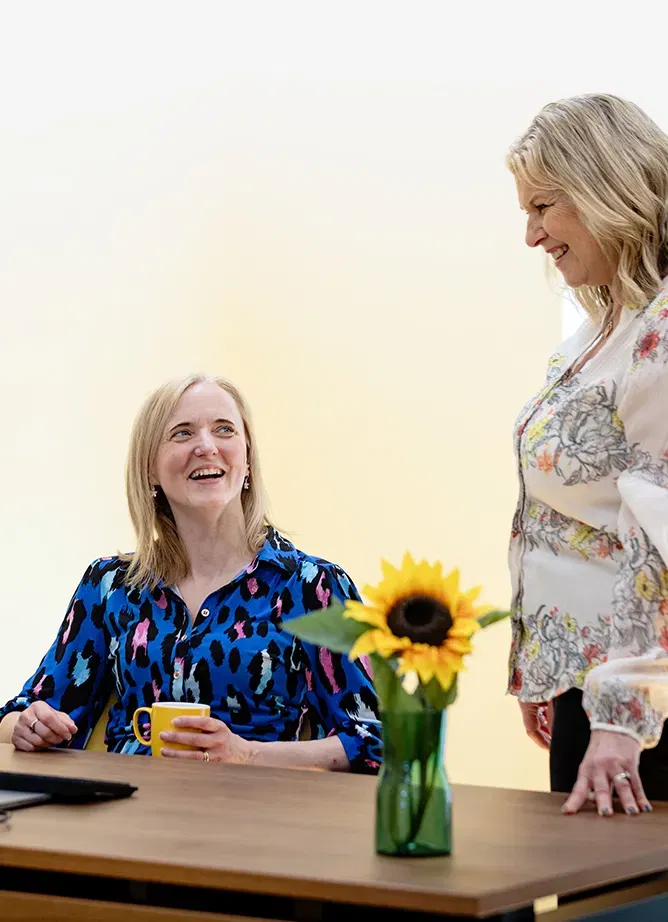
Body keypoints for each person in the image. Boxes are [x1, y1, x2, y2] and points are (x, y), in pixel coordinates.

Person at [0, 374, 381, 773]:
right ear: (150, 469)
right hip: (127, 816)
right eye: (182, 433)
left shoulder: (312, 586)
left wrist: (245, 753)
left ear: (247, 459)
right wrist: (26, 727)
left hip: (255, 819)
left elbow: (376, 742)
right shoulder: (109, 585)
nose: (206, 446)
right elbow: (22, 714)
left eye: (224, 430)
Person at [506, 94, 668, 816]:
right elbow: (569, 523)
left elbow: (657, 532)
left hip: (642, 713)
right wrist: (545, 667)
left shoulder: (660, 337)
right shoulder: (600, 333)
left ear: (607, 188)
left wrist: (623, 710)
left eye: (543, 207)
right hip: (591, 689)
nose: (533, 235)